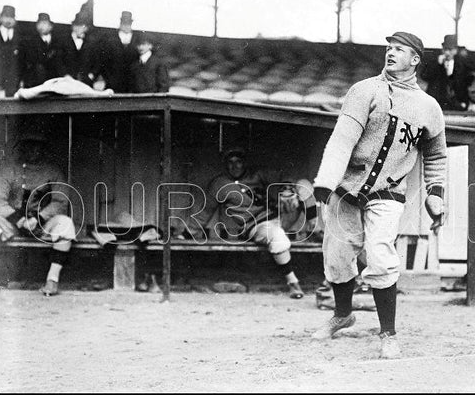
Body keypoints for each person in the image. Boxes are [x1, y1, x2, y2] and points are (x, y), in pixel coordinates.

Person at [311, 31, 447, 359]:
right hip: (348, 186)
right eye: (389, 48)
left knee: (381, 255)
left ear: (415, 59)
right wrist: (325, 181)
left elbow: (437, 156)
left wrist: (436, 193)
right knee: (338, 255)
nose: (391, 53)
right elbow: (343, 138)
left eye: (399, 50)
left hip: (388, 192)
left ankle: (388, 333)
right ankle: (342, 315)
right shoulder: (364, 90)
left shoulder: (429, 107)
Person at [188, 147, 318, 299]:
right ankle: (293, 283)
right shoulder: (219, 184)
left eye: (238, 162)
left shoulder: (257, 175)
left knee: (303, 184)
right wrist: (190, 232)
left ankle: (314, 229)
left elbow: (286, 176)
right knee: (276, 235)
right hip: (256, 226)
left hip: (279, 217)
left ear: (245, 163)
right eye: (230, 162)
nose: (234, 166)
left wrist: (287, 189)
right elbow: (204, 211)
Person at [0, 131, 76, 296]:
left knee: (65, 224)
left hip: (42, 224)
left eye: (37, 146)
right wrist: (19, 219)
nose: (32, 150)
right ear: (22, 148)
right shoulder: (9, 170)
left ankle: (52, 280)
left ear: (43, 149)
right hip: (13, 224)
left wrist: (38, 218)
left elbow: (60, 201)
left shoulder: (53, 171)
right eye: (28, 146)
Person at [425, 34, 473, 111]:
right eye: (445, 49)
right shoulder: (434, 63)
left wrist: (464, 103)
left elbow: (466, 85)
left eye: (450, 50)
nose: (447, 53)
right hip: (436, 105)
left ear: (455, 50)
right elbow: (424, 76)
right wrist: (437, 64)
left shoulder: (462, 66)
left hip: (456, 105)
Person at [99, 11, 140, 93]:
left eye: (128, 23)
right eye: (124, 23)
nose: (126, 26)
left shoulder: (137, 39)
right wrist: (109, 79)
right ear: (120, 23)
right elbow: (104, 61)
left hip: (132, 83)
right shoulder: (111, 39)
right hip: (113, 82)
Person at [57, 11, 101, 87]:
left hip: (86, 82)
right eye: (77, 26)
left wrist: (91, 75)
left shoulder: (91, 42)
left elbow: (97, 61)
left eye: (83, 26)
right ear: (73, 27)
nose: (80, 29)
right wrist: (65, 75)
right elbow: (58, 61)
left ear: (86, 28)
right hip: (67, 81)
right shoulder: (64, 41)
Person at [19, 13, 61, 88]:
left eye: (44, 23)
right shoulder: (30, 42)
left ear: (51, 26)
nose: (41, 26)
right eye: (39, 24)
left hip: (54, 82)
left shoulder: (58, 42)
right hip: (36, 82)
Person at [0, 5, 21, 97]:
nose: (8, 20)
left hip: (12, 77)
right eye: (6, 17)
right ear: (1, 18)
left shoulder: (18, 34)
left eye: (11, 17)